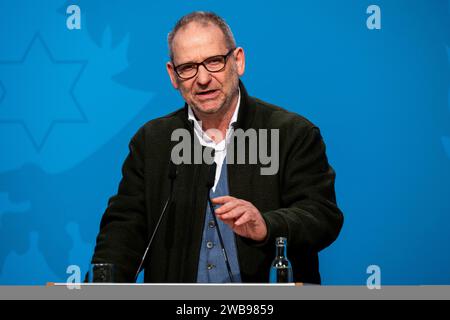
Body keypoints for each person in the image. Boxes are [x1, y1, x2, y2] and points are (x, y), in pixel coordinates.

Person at [90, 11, 343, 284]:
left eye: (214, 61)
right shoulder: (153, 141)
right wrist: (105, 287)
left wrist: (266, 226)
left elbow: (322, 215)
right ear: (173, 76)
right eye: (187, 67)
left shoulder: (291, 133)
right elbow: (123, 231)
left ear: (238, 61)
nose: (202, 78)